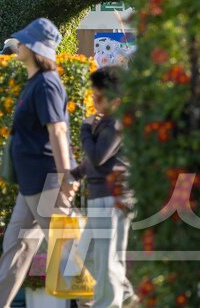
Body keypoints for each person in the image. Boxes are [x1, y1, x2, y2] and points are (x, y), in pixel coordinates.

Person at [0, 18, 76, 308]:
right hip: (31, 183)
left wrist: (66, 177)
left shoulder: (47, 84)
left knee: (67, 253)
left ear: (36, 50)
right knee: (16, 246)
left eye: (24, 41)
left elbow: (57, 131)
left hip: (48, 181)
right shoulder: (35, 81)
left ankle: (98, 303)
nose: (18, 44)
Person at [72, 65, 134, 308]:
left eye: (98, 96)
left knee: (106, 258)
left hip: (112, 196)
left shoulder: (116, 123)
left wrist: (85, 130)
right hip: (102, 195)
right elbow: (98, 161)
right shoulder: (107, 121)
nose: (94, 100)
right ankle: (127, 296)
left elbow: (99, 156)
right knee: (88, 254)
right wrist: (75, 174)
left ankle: (109, 303)